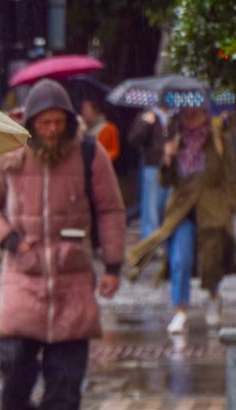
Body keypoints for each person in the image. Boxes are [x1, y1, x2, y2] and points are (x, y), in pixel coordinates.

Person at [0, 79, 126, 410]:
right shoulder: (6, 150)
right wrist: (9, 238)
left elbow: (110, 210)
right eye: (45, 123)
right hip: (22, 275)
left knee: (67, 376)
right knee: (14, 366)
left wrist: (113, 266)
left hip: (72, 277)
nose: (52, 130)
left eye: (59, 122)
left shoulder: (89, 152)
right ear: (31, 121)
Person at [127, 107, 236, 333]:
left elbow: (230, 174)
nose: (191, 116)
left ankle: (213, 296)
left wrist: (230, 205)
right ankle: (181, 310)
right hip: (182, 209)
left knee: (212, 258)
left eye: (196, 112)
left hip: (212, 208)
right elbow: (165, 182)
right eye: (187, 113)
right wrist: (167, 158)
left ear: (205, 113)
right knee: (180, 258)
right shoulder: (176, 140)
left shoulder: (217, 138)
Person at [129, 104, 172, 240]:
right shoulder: (147, 114)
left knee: (170, 207)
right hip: (153, 166)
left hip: (174, 167)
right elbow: (134, 140)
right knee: (151, 209)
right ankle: (150, 241)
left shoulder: (177, 116)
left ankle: (167, 240)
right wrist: (146, 123)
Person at [80, 95, 120, 162]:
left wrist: (102, 159)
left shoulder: (110, 128)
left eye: (86, 109)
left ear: (95, 110)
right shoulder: (80, 127)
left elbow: (114, 150)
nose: (83, 112)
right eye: (82, 109)